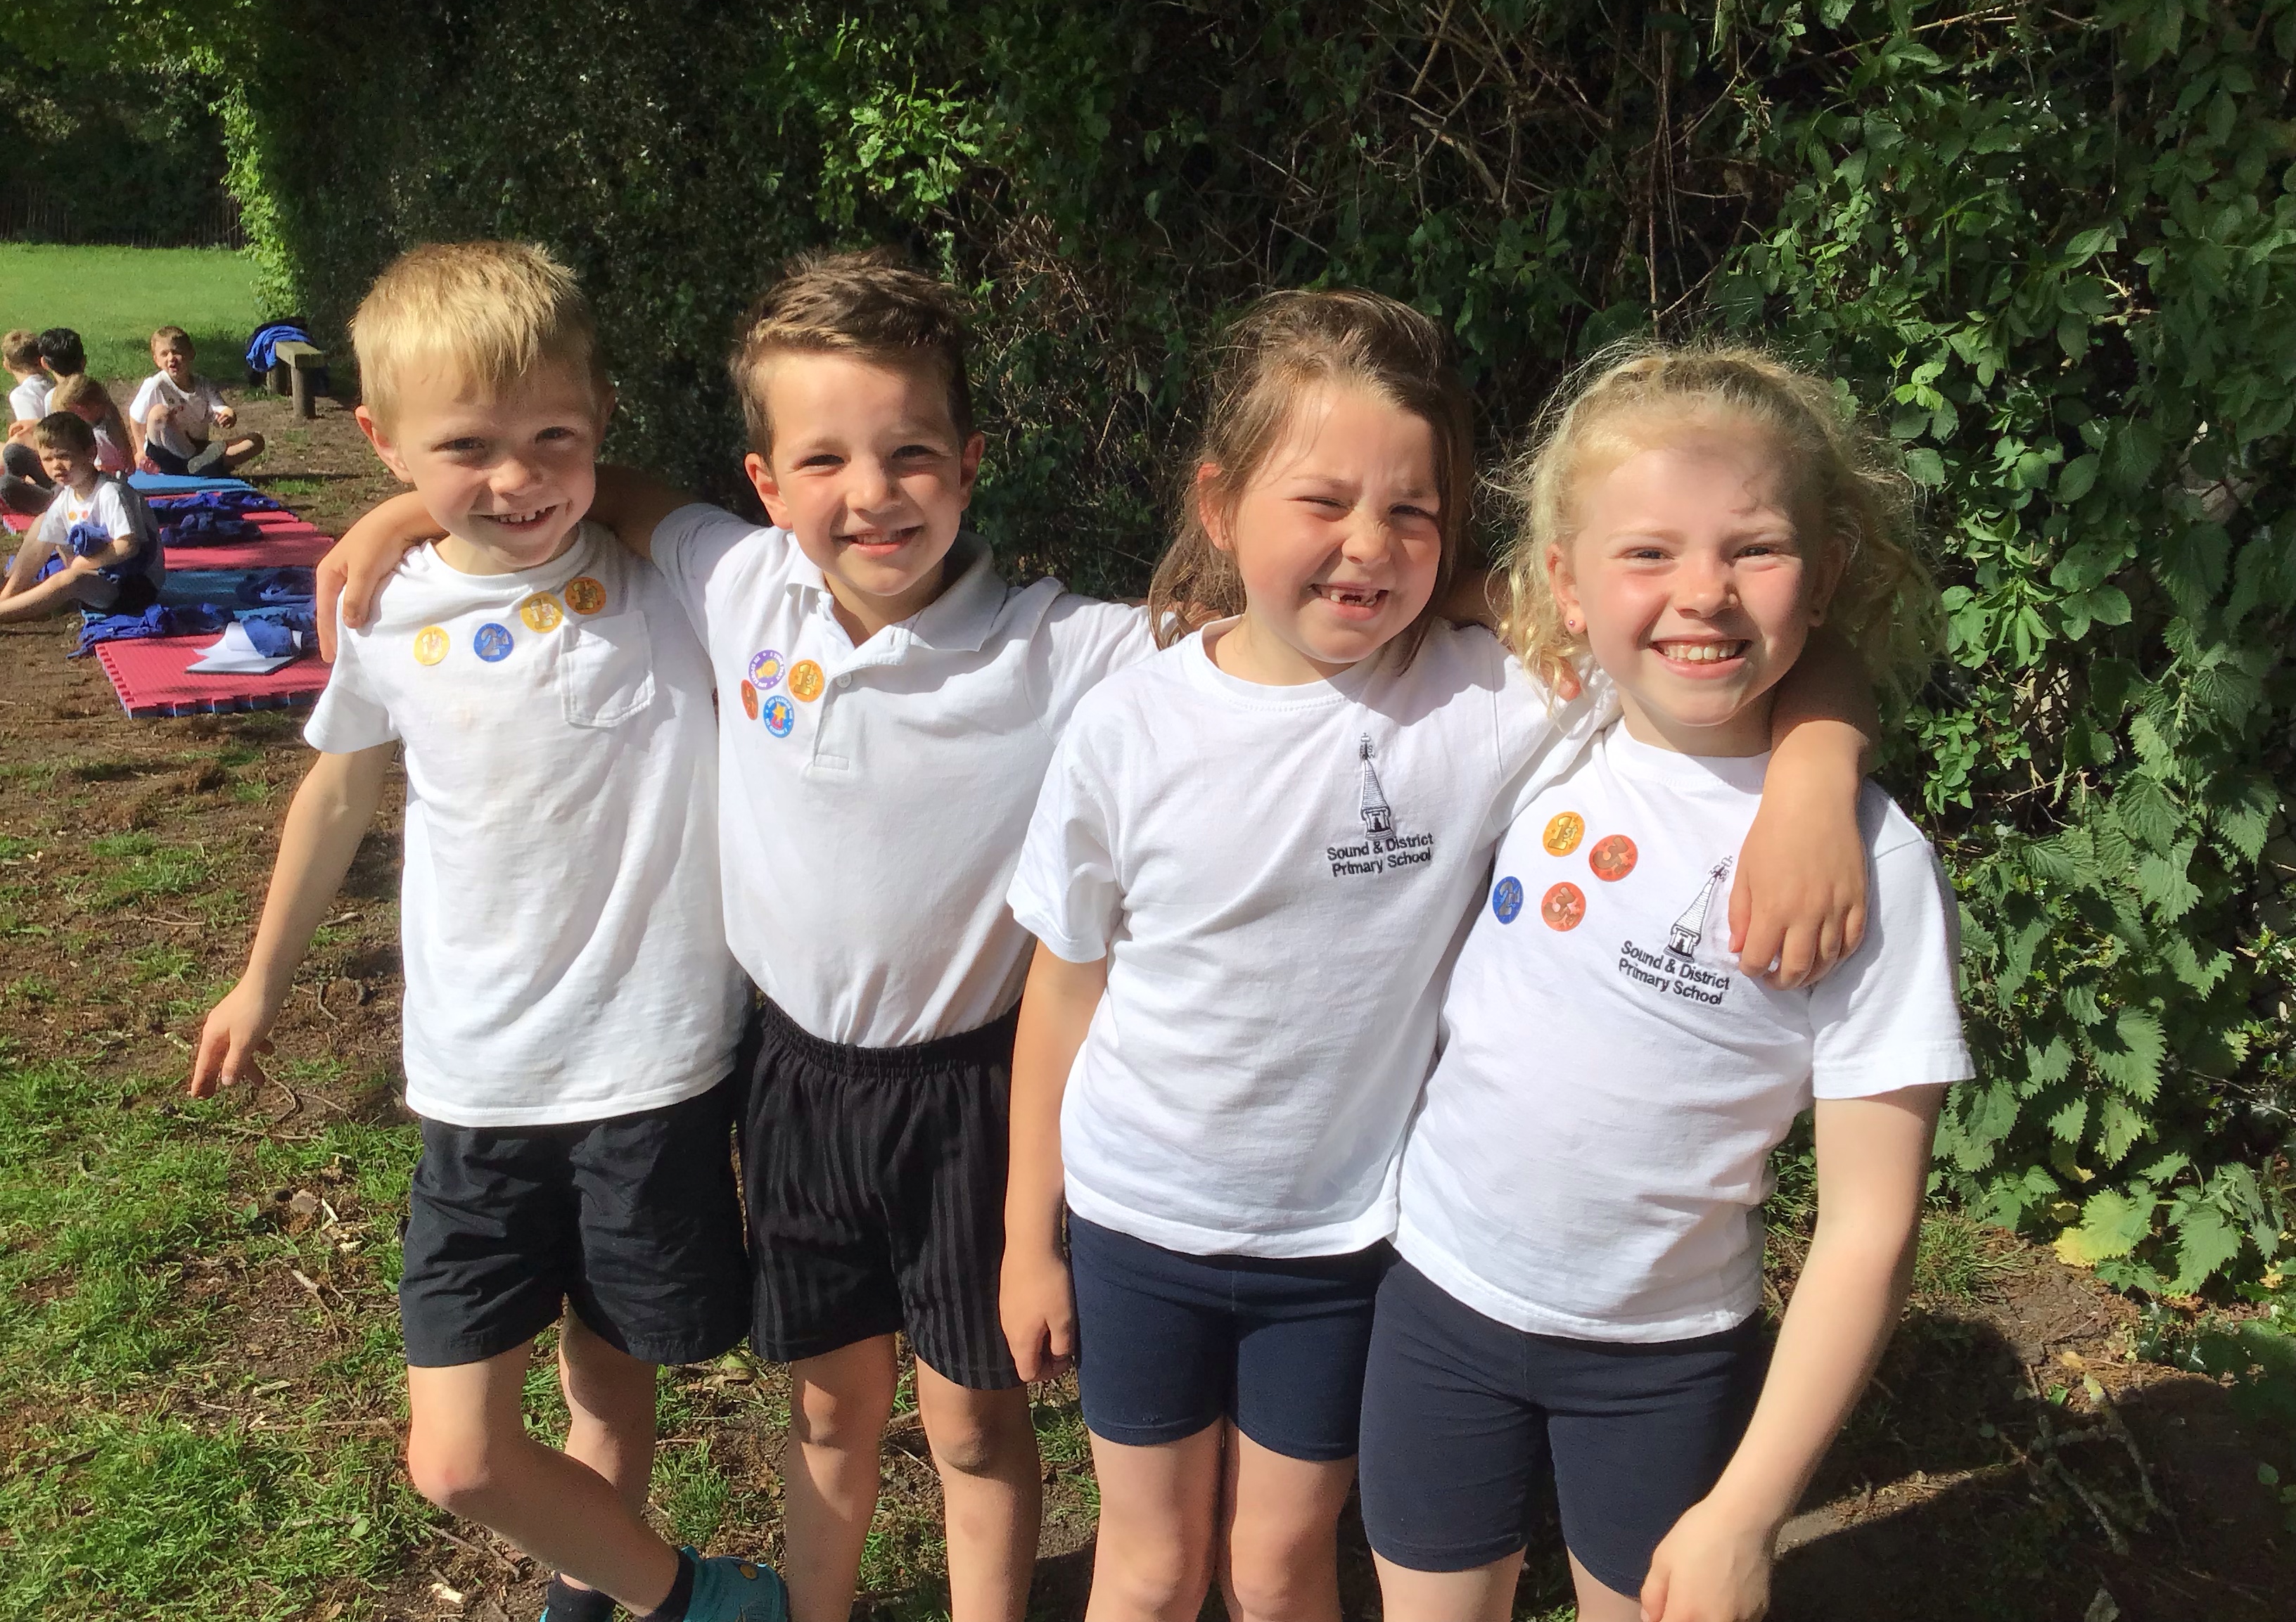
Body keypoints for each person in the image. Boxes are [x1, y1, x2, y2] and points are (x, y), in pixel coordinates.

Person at [997, 290, 1882, 1622]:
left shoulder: (1495, 697)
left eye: (1412, 512)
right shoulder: (1126, 728)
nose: (1369, 544)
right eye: (1322, 501)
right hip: (1135, 1218)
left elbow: (1745, 643)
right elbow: (1065, 985)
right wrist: (1029, 1233)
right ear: (1217, 503)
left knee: (1277, 1565)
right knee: (1149, 1566)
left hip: (1348, 1237)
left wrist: (1816, 771)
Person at [319, 247, 1152, 1622]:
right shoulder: (738, 579)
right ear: (765, 484)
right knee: (826, 1411)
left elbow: (1260, 642)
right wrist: (407, 508)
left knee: (971, 1426)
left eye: (911, 452)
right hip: (793, 1084)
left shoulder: (1067, 651)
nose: (871, 492)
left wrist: (1478, 609)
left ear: (969, 463)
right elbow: (602, 489)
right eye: (822, 459)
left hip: (974, 1094)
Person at [188, 242, 786, 1622]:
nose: (518, 478)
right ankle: (699, 1601)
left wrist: (424, 496)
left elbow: (669, 509)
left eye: (553, 439)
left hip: (654, 1074)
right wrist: (259, 977)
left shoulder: (677, 588)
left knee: (608, 1384)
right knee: (455, 1455)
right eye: (465, 447)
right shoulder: (383, 605)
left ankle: (592, 1602)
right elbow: (337, 790)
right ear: (379, 437)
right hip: (475, 1087)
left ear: (603, 422)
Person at [1356, 344, 1972, 1622]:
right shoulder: (1558, 714)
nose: (1702, 591)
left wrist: (1747, 1512)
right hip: (1436, 1302)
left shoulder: (1874, 866)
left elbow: (1868, 1229)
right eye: (1648, 552)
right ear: (1566, 587)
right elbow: (1396, 588)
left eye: (1755, 549)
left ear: (1826, 573)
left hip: (1663, 1362)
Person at [0, 411, 166, 622]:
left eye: (64, 456)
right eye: (47, 459)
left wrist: (84, 563)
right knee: (44, 521)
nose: (56, 465)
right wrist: (9, 593)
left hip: (133, 584)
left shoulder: (111, 492)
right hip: (99, 575)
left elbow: (128, 547)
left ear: (90, 453)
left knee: (68, 579)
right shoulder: (66, 496)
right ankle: (7, 596)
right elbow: (40, 547)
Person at [132, 326, 265, 477]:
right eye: (164, 354)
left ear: (191, 354)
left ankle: (198, 466)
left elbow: (221, 408)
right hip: (163, 452)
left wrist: (228, 416)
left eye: (177, 352)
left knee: (255, 441)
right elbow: (136, 416)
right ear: (156, 360)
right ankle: (199, 464)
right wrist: (140, 451)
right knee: (159, 413)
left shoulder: (204, 385)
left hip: (199, 448)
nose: (171, 359)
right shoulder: (156, 385)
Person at [3, 328, 55, 509]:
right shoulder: (51, 384)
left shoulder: (21, 395)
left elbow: (31, 438)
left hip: (46, 463)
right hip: (59, 453)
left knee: (10, 449)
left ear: (6, 365)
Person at [50, 375, 137, 474]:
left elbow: (107, 469)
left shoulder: (97, 437)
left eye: (70, 417)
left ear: (84, 408)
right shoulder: (107, 418)